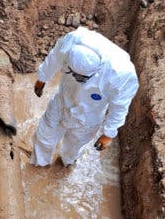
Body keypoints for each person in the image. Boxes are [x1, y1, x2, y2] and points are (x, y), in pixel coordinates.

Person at [30, 27, 139, 167]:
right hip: (62, 101)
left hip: (88, 116)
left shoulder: (121, 74)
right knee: (43, 138)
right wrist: (42, 78)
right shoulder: (72, 41)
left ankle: (66, 164)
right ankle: (40, 165)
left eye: (81, 77)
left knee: (73, 149)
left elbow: (120, 106)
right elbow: (54, 59)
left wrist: (109, 134)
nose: (76, 77)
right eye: (73, 73)